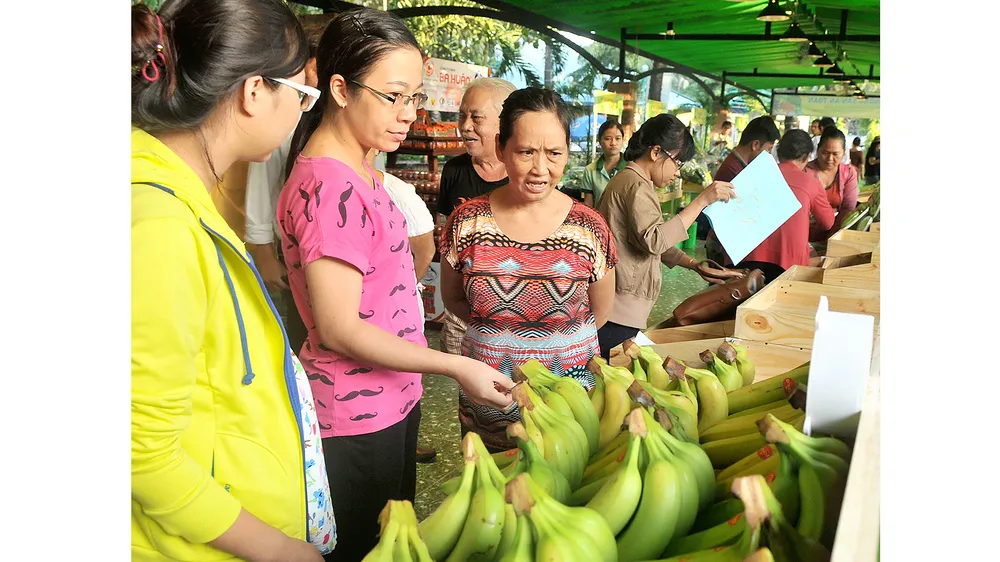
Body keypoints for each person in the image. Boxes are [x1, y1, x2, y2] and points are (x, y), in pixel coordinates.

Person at [275, 9, 513, 561]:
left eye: (414, 98)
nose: (408, 114)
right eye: (393, 97)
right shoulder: (329, 185)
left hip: (390, 400)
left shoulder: (359, 169)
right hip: (356, 417)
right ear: (339, 88)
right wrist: (455, 365)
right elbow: (337, 327)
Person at [131, 1, 330, 561]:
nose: (300, 111)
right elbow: (141, 453)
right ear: (253, 92)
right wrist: (277, 549)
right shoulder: (161, 224)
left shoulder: (179, 197)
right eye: (301, 94)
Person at [440, 87, 617, 452]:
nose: (541, 168)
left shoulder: (590, 227)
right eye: (525, 152)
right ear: (502, 148)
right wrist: (502, 335)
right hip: (489, 402)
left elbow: (600, 312)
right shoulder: (467, 222)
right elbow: (455, 299)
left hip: (570, 404)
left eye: (555, 153)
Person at [597, 114, 745, 359]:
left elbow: (647, 241)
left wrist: (692, 264)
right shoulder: (635, 185)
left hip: (621, 305)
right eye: (677, 162)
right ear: (656, 152)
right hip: (618, 308)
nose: (677, 172)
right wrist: (701, 201)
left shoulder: (635, 182)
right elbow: (655, 239)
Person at [365, 148, 439, 464]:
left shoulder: (397, 191)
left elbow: (424, 250)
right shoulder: (322, 183)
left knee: (404, 397)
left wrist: (396, 295)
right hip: (357, 347)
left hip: (397, 327)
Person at [245, 43, 318, 354]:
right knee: (297, 338)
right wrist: (263, 253)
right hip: (293, 253)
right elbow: (261, 181)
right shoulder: (287, 121)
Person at [435, 78, 516, 359]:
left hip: (513, 312)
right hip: (462, 311)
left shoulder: (522, 172)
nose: (466, 125)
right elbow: (446, 235)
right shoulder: (454, 170)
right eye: (462, 116)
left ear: (503, 122)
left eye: (476, 117)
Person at [732, 129, 836, 283]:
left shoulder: (753, 174)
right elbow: (828, 223)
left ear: (778, 152)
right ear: (807, 157)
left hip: (743, 260)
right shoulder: (810, 183)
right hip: (787, 267)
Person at [705, 115, 781, 266]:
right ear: (755, 145)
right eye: (768, 149)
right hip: (722, 246)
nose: (768, 156)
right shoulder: (735, 171)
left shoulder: (739, 165)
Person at [807, 126, 859, 238]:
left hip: (834, 234)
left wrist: (832, 235)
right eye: (825, 153)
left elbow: (848, 208)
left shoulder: (849, 173)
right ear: (818, 149)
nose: (830, 158)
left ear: (843, 153)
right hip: (802, 234)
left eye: (835, 154)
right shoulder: (804, 171)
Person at [580, 119, 627, 208]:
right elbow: (588, 204)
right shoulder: (590, 170)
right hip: (600, 220)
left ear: (623, 140)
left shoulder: (630, 168)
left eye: (617, 138)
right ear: (600, 141)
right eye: (607, 139)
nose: (613, 143)